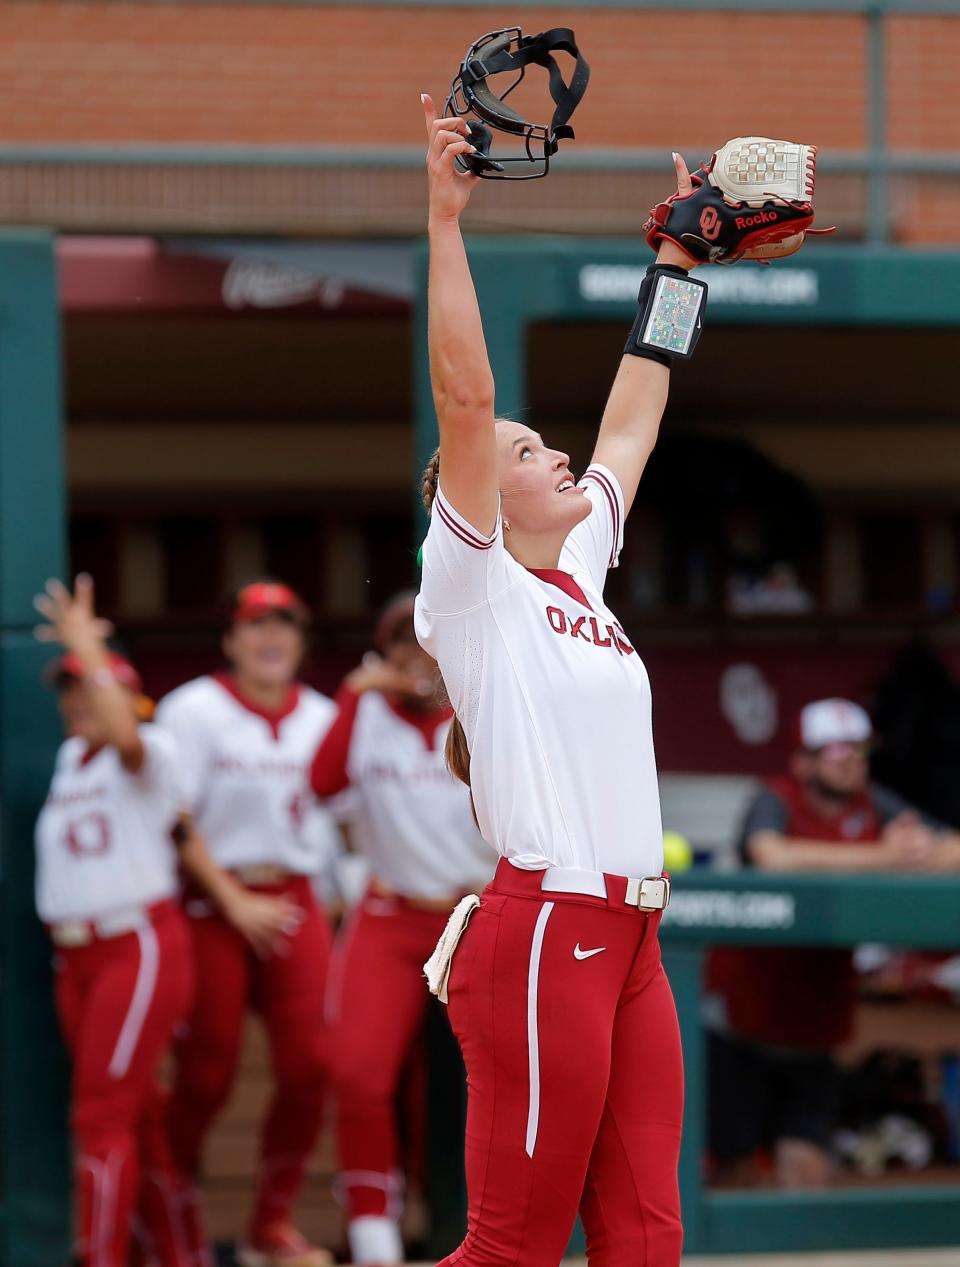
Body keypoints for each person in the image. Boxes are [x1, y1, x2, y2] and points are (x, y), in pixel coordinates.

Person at [410, 94, 713, 1267]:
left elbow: (637, 409)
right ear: (485, 488)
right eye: (534, 453)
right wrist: (445, 223)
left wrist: (680, 267)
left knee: (646, 1239)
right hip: (544, 926)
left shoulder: (579, 560)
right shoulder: (472, 585)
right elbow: (468, 402)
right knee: (511, 1250)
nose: (562, 456)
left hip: (631, 934)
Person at [154, 581, 339, 1267]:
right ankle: (166, 1216)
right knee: (205, 1073)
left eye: (285, 626)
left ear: (300, 641)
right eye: (258, 625)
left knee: (312, 1063)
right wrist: (232, 900)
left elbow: (343, 810)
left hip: (293, 894)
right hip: (213, 898)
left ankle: (271, 1225)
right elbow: (174, 817)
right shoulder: (193, 710)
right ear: (232, 640)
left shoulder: (321, 715)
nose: (272, 638)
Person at [707, 697, 960, 1190]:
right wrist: (884, 860)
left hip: (815, 1024)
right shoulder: (774, 798)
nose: (850, 761)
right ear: (804, 760)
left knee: (806, 1173)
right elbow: (772, 857)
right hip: (743, 1019)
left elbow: (951, 848)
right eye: (835, 750)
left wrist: (918, 852)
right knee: (733, 1171)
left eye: (859, 750)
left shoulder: (876, 807)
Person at [310, 592, 495, 1267]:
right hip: (390, 913)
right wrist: (354, 692)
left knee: (486, 1083)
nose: (417, 660)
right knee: (358, 1073)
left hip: (473, 914)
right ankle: (373, 1238)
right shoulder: (365, 711)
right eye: (402, 646)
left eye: (429, 644)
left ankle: (481, 1229)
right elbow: (321, 782)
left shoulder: (482, 702)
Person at [33, 575, 194, 1267]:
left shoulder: (152, 749)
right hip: (78, 957)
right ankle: (181, 1253)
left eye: (87, 685)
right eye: (67, 687)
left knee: (99, 1115)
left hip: (137, 943)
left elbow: (127, 733)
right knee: (137, 1115)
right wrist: (83, 658)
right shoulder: (71, 757)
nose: (76, 699)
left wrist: (89, 648)